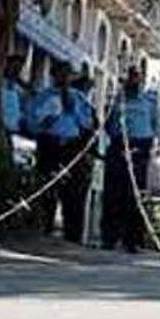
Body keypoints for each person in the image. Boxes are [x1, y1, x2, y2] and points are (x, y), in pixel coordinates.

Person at [28, 60, 96, 243]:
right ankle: (44, 229)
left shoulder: (79, 98)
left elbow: (88, 123)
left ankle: (73, 236)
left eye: (67, 74)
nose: (64, 78)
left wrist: (71, 106)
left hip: (72, 148)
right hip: (50, 145)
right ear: (53, 75)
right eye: (60, 74)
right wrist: (45, 123)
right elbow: (31, 122)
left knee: (73, 194)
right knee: (47, 189)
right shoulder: (43, 97)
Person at [101, 66, 159, 253]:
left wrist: (147, 146)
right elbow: (109, 125)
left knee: (135, 195)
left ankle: (133, 240)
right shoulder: (117, 100)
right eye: (130, 77)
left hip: (140, 147)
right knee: (113, 193)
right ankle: (109, 237)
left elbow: (155, 125)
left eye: (137, 78)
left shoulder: (149, 101)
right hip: (119, 146)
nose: (133, 81)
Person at [0, 53, 29, 137]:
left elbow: (24, 108)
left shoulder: (20, 89)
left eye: (19, 68)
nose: (16, 70)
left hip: (13, 128)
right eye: (14, 66)